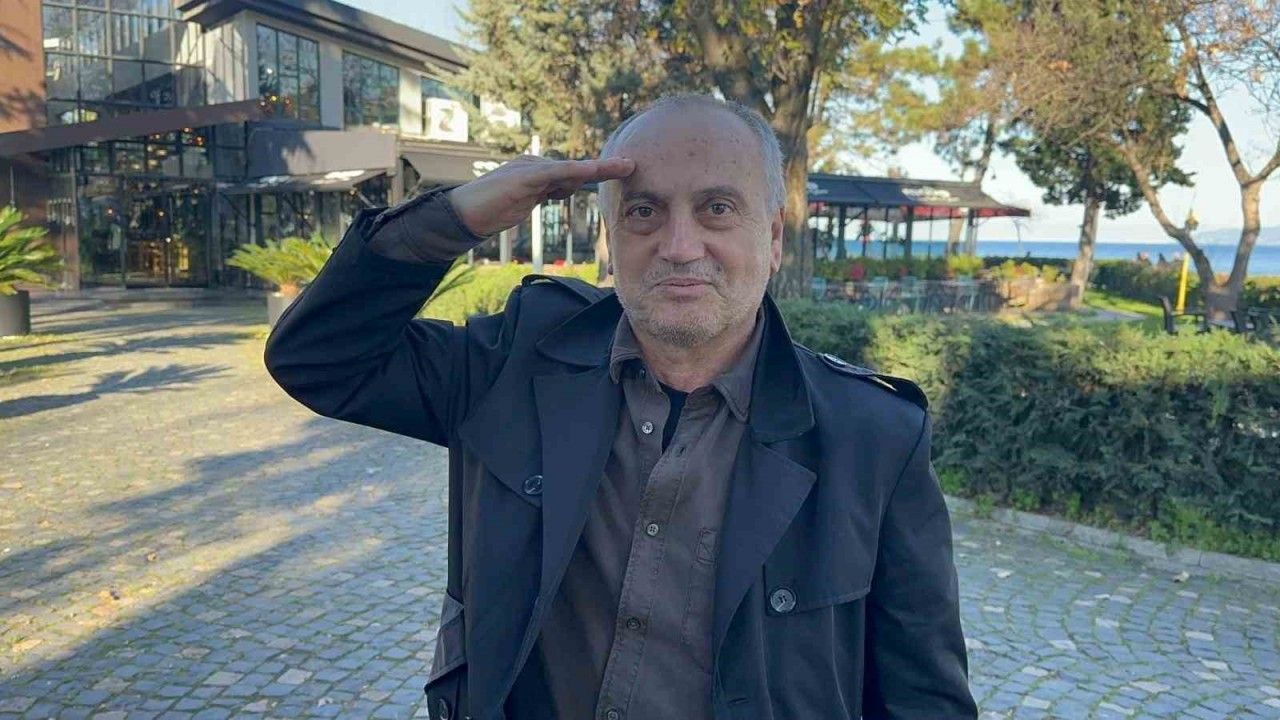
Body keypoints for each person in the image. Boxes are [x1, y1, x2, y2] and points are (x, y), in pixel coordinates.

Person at [264, 94, 976, 720]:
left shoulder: (872, 436)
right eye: (643, 211)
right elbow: (318, 358)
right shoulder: (514, 364)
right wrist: (455, 217)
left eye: (717, 208)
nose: (679, 246)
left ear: (773, 237)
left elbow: (924, 699)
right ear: (610, 238)